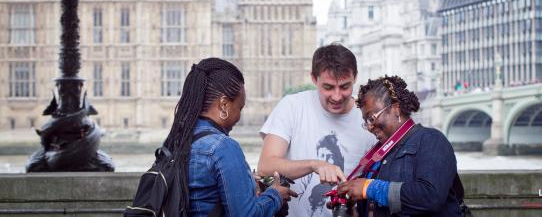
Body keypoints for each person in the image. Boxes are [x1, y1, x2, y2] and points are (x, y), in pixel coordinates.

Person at [161, 58, 297, 216]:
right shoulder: (223, 147)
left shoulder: (178, 140)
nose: (239, 115)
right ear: (224, 104)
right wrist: (276, 195)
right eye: (239, 107)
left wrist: (246, 182)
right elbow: (245, 215)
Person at [258, 44, 376, 216]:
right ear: (314, 78)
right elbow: (265, 166)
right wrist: (315, 165)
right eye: (328, 87)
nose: (337, 96)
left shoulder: (369, 117)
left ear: (356, 78)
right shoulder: (292, 106)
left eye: (344, 86)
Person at [336, 75, 462, 216]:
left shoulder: (431, 140)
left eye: (372, 117)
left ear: (396, 108)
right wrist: (352, 208)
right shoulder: (378, 155)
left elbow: (431, 197)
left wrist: (369, 188)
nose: (370, 126)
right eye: (366, 122)